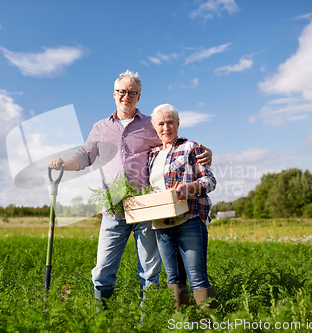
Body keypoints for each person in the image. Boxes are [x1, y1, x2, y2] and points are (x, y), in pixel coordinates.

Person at [48, 71, 212, 311]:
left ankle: (148, 319)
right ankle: (101, 319)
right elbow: (85, 156)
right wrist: (64, 164)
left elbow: (173, 143)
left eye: (132, 92)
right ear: (114, 94)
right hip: (112, 209)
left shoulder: (150, 124)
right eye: (122, 92)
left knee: (149, 271)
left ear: (139, 96)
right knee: (103, 269)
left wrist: (204, 153)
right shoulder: (100, 128)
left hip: (145, 209)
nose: (127, 96)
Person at [148, 103, 217, 311]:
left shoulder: (191, 147)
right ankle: (181, 324)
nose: (166, 128)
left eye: (170, 122)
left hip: (189, 219)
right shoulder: (151, 155)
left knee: (197, 278)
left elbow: (210, 181)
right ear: (154, 127)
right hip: (161, 223)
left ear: (178, 124)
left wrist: (192, 187)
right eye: (161, 123)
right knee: (174, 279)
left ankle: (210, 324)